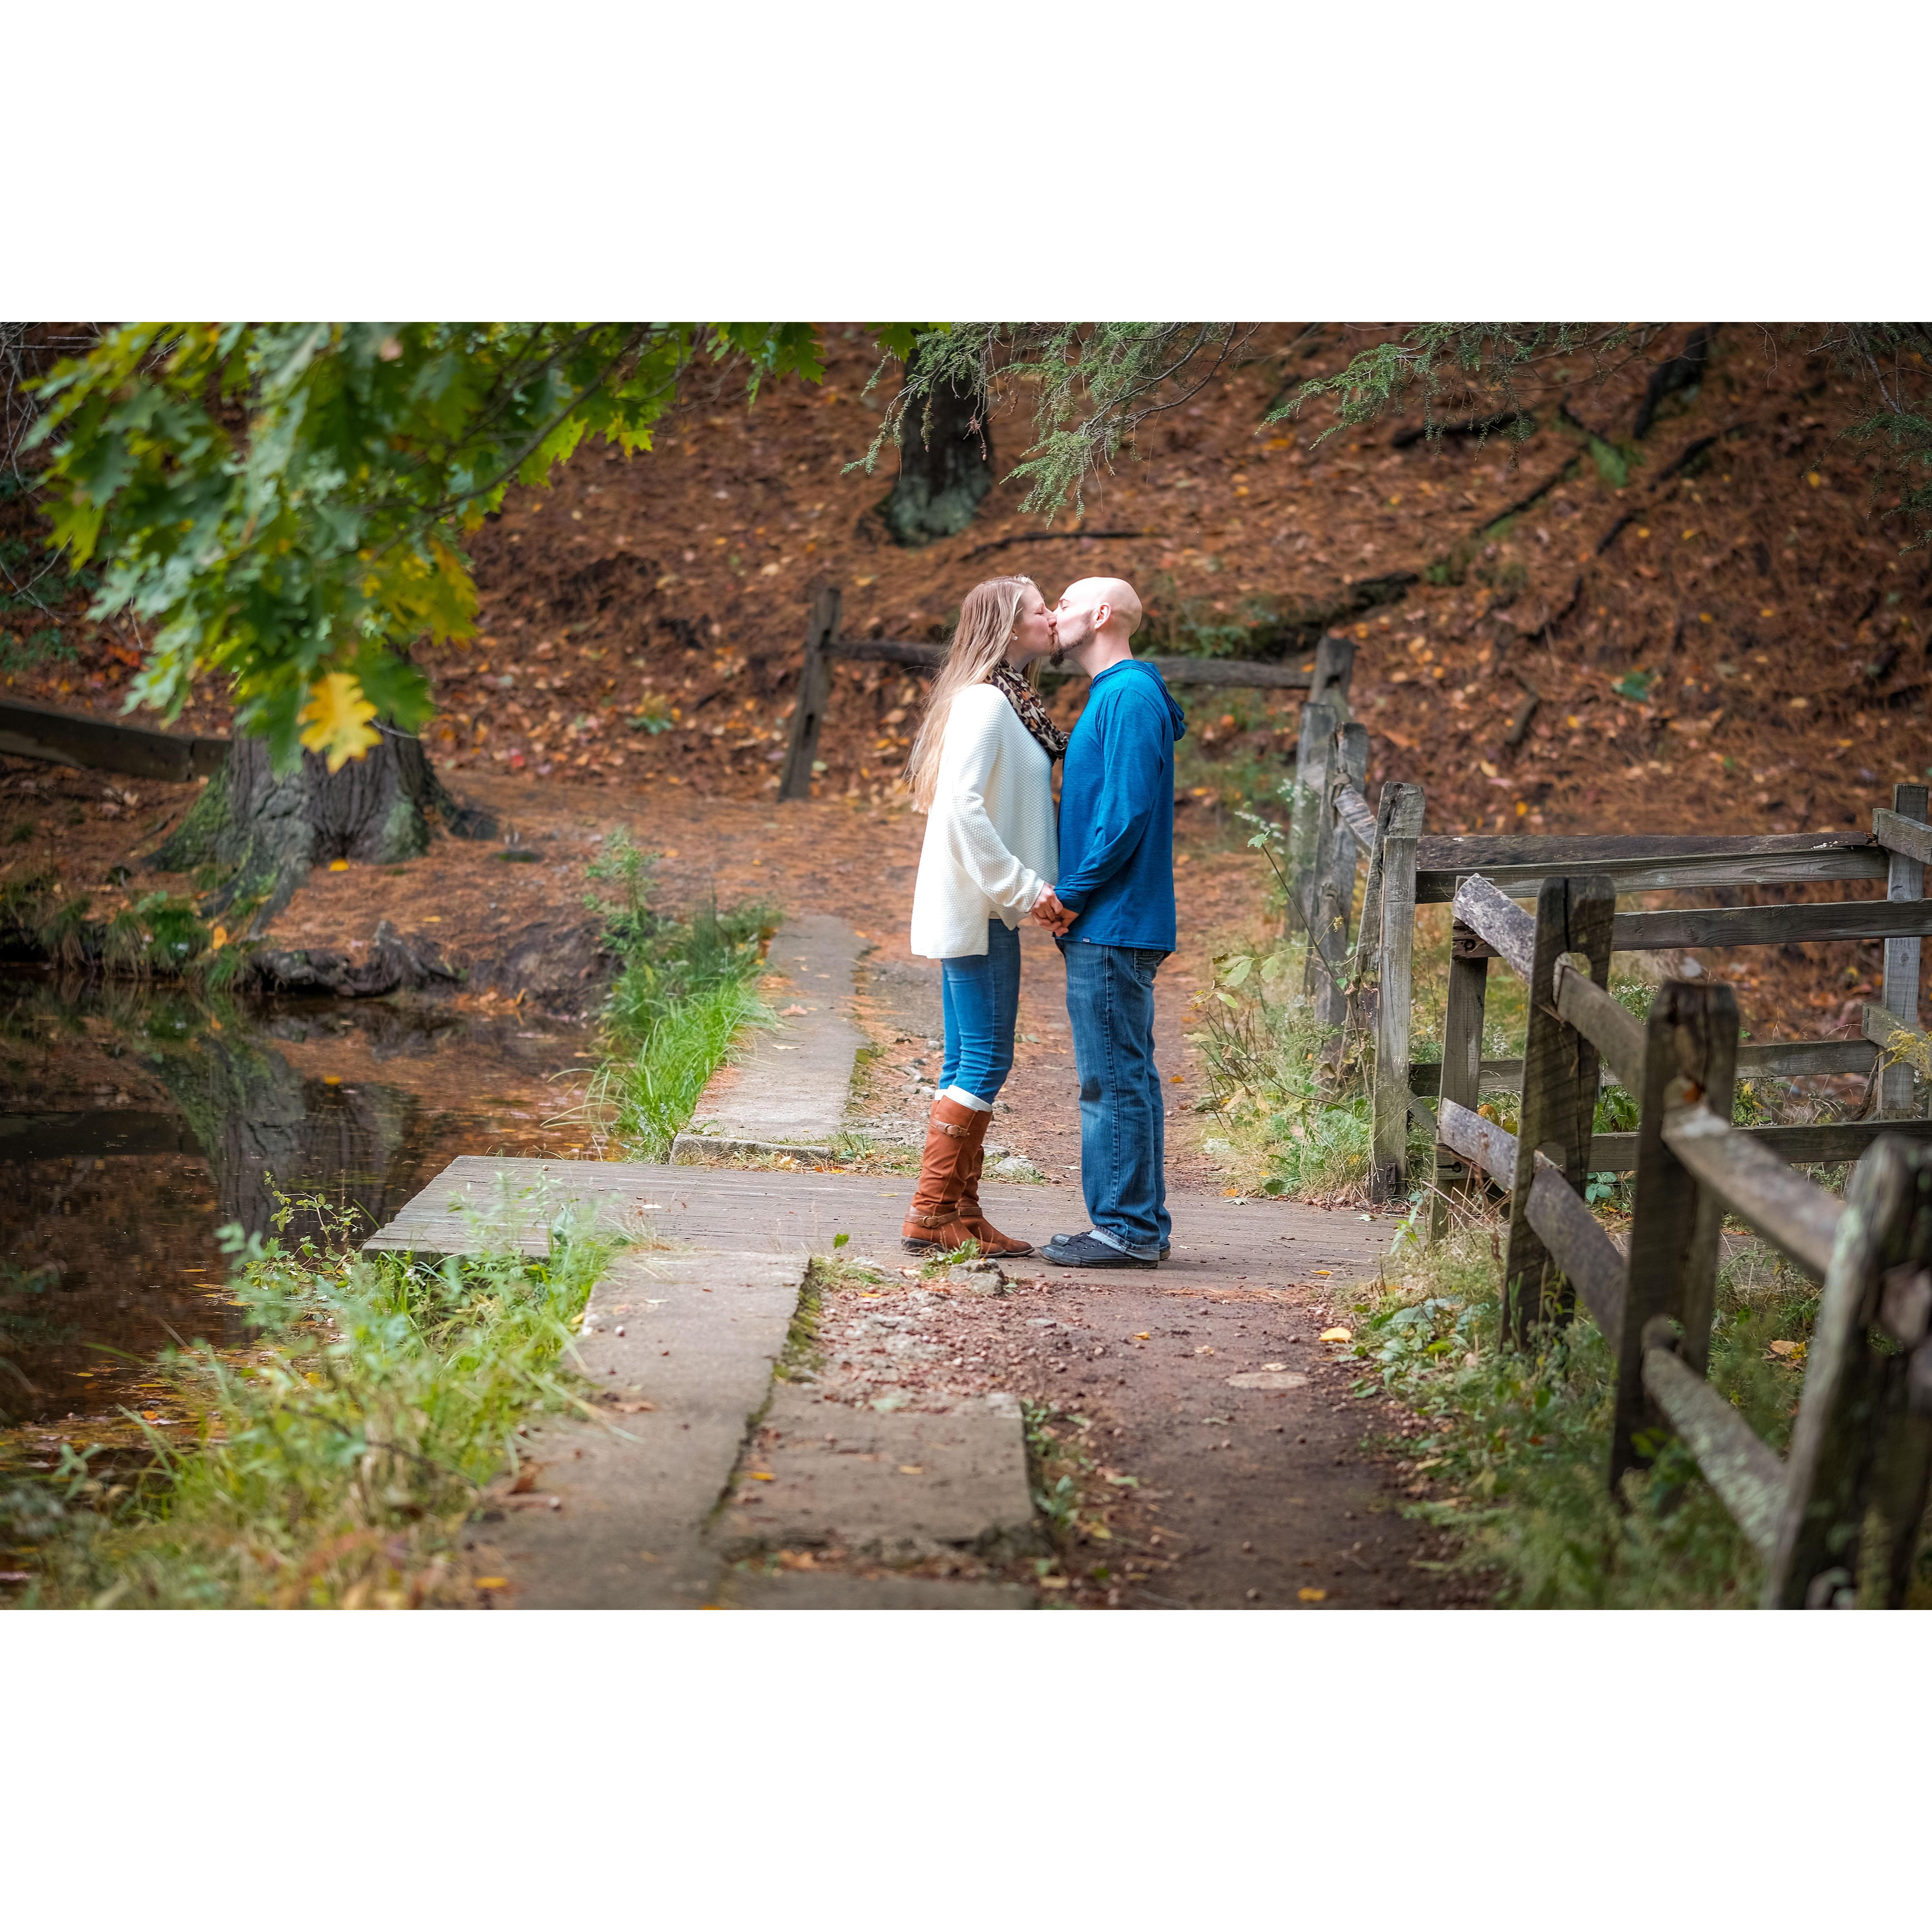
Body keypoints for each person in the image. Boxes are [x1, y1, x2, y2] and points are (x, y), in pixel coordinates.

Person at [901, 575, 1065, 1257]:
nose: (1051, 617)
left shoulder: (1011, 700)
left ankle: (960, 1213)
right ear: (1008, 626)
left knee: (968, 1058)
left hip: (989, 905)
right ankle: (930, 1212)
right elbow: (962, 807)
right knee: (986, 1059)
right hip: (982, 906)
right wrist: (1025, 887)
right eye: (1040, 609)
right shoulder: (987, 704)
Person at [1029, 576, 1185, 1267]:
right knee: (1128, 1076)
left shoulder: (1126, 695)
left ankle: (1124, 1229)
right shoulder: (1120, 694)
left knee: (1112, 1080)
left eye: (1063, 603)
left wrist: (1072, 894)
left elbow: (1124, 814)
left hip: (1112, 920)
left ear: (1100, 615)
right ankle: (1141, 1225)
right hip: (1113, 920)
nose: (1052, 614)